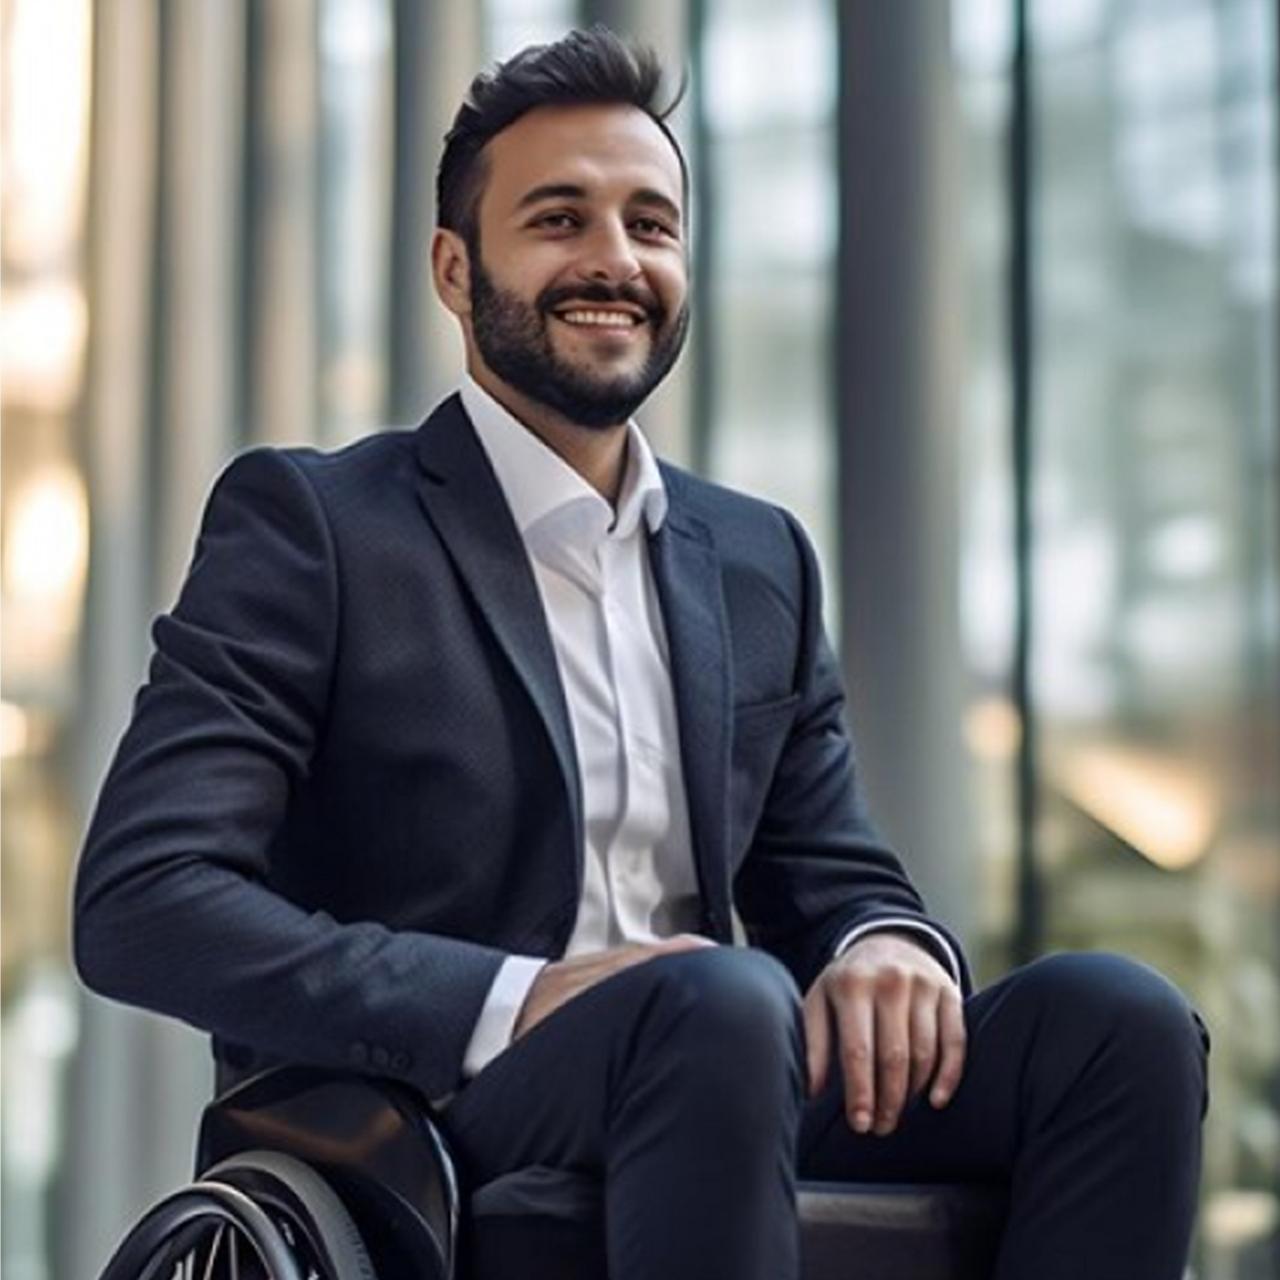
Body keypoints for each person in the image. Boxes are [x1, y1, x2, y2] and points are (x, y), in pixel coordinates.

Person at [74, 27, 1208, 1280]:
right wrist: (515, 995)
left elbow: (833, 877)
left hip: (727, 1068)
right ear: (455, 270)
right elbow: (145, 901)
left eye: (651, 224)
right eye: (558, 219)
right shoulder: (319, 527)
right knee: (718, 999)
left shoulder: (755, 556)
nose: (614, 258)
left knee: (1120, 1024)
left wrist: (884, 942)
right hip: (439, 1106)